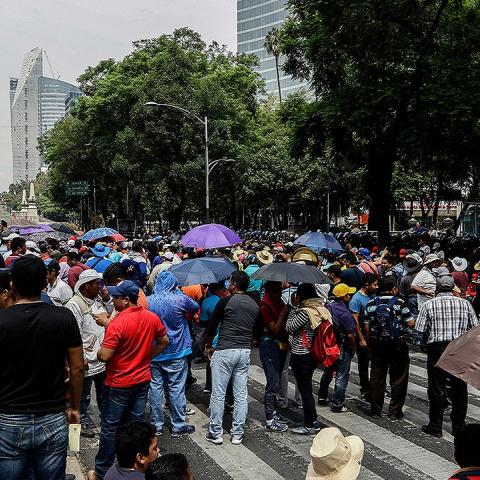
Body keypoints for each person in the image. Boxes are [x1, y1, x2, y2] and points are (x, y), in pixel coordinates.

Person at [0, 256, 84, 479]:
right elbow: (77, 369)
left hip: (9, 417)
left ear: (12, 285)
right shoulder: (63, 317)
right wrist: (74, 407)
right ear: (45, 283)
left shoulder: (2, 321)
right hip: (52, 415)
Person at [90, 282, 168, 480]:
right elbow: (164, 341)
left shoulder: (118, 323)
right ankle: (136, 466)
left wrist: (98, 352)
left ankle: (102, 470)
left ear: (126, 300)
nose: (113, 300)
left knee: (110, 427)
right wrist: (147, 356)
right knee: (135, 426)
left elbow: (105, 356)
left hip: (119, 381)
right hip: (142, 379)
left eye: (116, 297)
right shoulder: (151, 317)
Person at [415, 275, 479, 437]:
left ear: (437, 288)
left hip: (437, 348)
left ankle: (435, 426)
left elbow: (419, 329)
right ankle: (458, 426)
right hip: (459, 348)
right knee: (459, 388)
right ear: (453, 288)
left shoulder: (429, 304)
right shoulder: (465, 304)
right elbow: (474, 327)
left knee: (436, 387)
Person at [205, 271, 261, 445]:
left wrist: (209, 346)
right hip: (244, 351)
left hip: (225, 350)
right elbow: (257, 334)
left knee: (219, 393)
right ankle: (238, 433)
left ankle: (216, 432)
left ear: (234, 284)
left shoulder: (225, 302)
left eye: (229, 282)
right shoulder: (255, 304)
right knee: (240, 394)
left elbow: (212, 327)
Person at [148, 271, 198, 438]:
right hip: (177, 349)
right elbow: (195, 307)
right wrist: (178, 292)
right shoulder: (179, 298)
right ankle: (178, 424)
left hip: (155, 351)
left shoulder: (149, 301)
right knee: (176, 388)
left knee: (155, 388)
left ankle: (156, 424)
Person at [66, 269, 113, 438]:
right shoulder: (74, 304)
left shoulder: (98, 299)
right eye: (96, 284)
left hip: (101, 356)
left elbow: (112, 314)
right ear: (87, 286)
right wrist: (81, 357)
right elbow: (74, 332)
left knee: (103, 391)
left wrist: (107, 299)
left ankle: (106, 418)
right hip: (86, 358)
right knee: (82, 394)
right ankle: (80, 422)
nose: (100, 287)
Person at [364, 277, 415, 419]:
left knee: (377, 376)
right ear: (393, 288)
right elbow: (410, 323)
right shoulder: (399, 302)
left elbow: (367, 327)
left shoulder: (370, 303)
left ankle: (376, 410)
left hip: (377, 344)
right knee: (399, 377)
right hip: (397, 344)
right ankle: (395, 411)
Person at [286, 283, 325, 435]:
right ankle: (313, 419)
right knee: (306, 387)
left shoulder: (304, 312)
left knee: (305, 390)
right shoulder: (320, 309)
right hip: (312, 354)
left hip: (301, 354)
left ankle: (309, 424)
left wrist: (293, 308)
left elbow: (289, 327)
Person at [318, 283, 356, 412]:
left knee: (328, 371)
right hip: (342, 347)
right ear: (345, 297)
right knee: (341, 376)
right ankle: (337, 403)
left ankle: (322, 396)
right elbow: (350, 335)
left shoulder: (327, 307)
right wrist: (353, 348)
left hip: (328, 345)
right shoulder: (345, 313)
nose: (350, 296)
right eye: (348, 294)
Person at [259, 281, 289, 431]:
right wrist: (283, 313)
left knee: (277, 379)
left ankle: (273, 412)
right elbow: (274, 329)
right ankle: (269, 419)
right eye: (276, 291)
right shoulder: (265, 305)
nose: (279, 293)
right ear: (269, 291)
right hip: (270, 345)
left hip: (280, 345)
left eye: (280, 290)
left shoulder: (279, 301)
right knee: (273, 383)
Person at [348, 273, 378, 401]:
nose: (377, 287)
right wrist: (361, 339)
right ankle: (365, 389)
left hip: (374, 335)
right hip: (364, 335)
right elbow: (355, 321)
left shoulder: (373, 295)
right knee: (363, 364)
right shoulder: (357, 299)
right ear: (367, 285)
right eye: (374, 284)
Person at [399, 253, 423, 319]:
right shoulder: (423, 275)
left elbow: (402, 294)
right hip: (423, 298)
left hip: (410, 300)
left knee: (413, 318)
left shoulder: (404, 278)